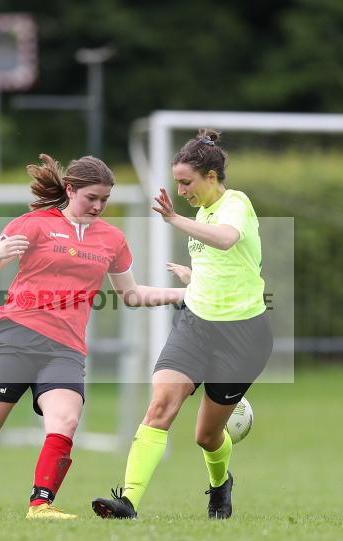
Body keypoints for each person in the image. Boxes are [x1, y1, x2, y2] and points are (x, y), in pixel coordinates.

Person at [0, 154, 185, 520]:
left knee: (65, 421)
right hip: (15, 336)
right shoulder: (35, 224)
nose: (98, 206)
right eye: (91, 198)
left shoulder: (113, 239)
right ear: (70, 190)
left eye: (104, 200)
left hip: (65, 348)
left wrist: (182, 295)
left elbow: (130, 294)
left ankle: (40, 505)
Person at [92, 129, 272, 520]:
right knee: (160, 405)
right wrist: (194, 279)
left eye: (186, 182)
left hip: (243, 337)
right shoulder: (202, 214)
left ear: (211, 176)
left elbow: (226, 241)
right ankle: (128, 501)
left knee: (206, 436)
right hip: (195, 326)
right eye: (177, 182)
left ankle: (221, 484)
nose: (181, 190)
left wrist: (174, 219)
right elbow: (222, 262)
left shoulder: (235, 203)